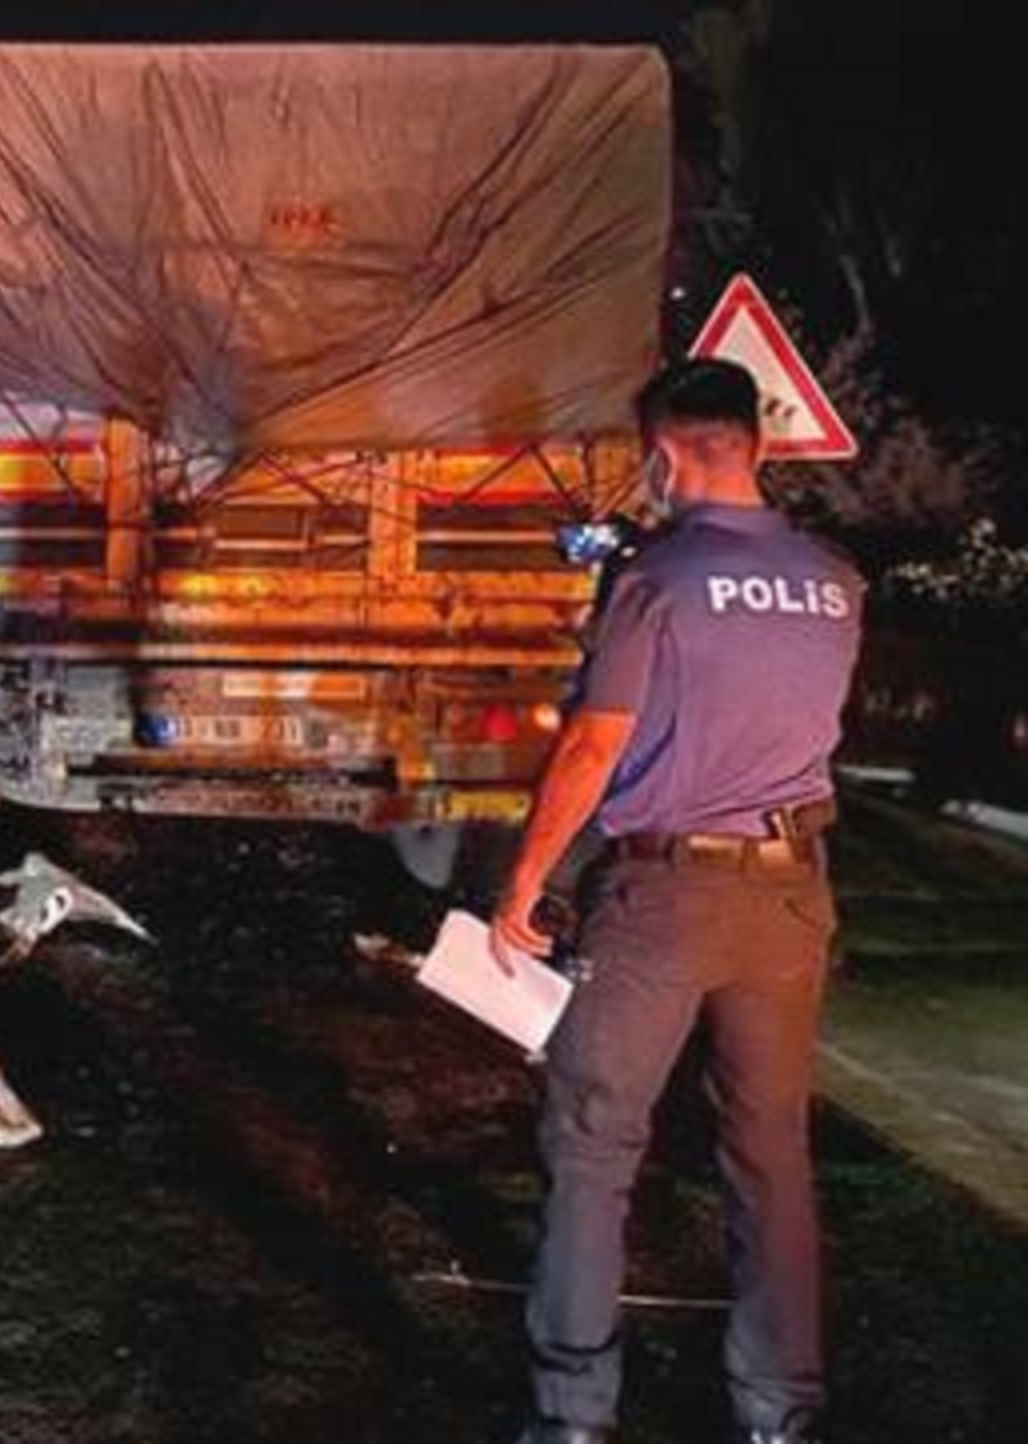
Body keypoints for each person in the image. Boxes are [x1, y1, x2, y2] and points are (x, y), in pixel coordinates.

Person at [495, 358, 863, 1444]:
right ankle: (780, 1411)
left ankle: (572, 1411)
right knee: (769, 1152)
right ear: (755, 440)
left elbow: (595, 745)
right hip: (792, 896)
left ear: (662, 453)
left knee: (594, 1143)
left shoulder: (653, 580)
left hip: (664, 896)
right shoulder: (836, 577)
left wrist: (524, 882)